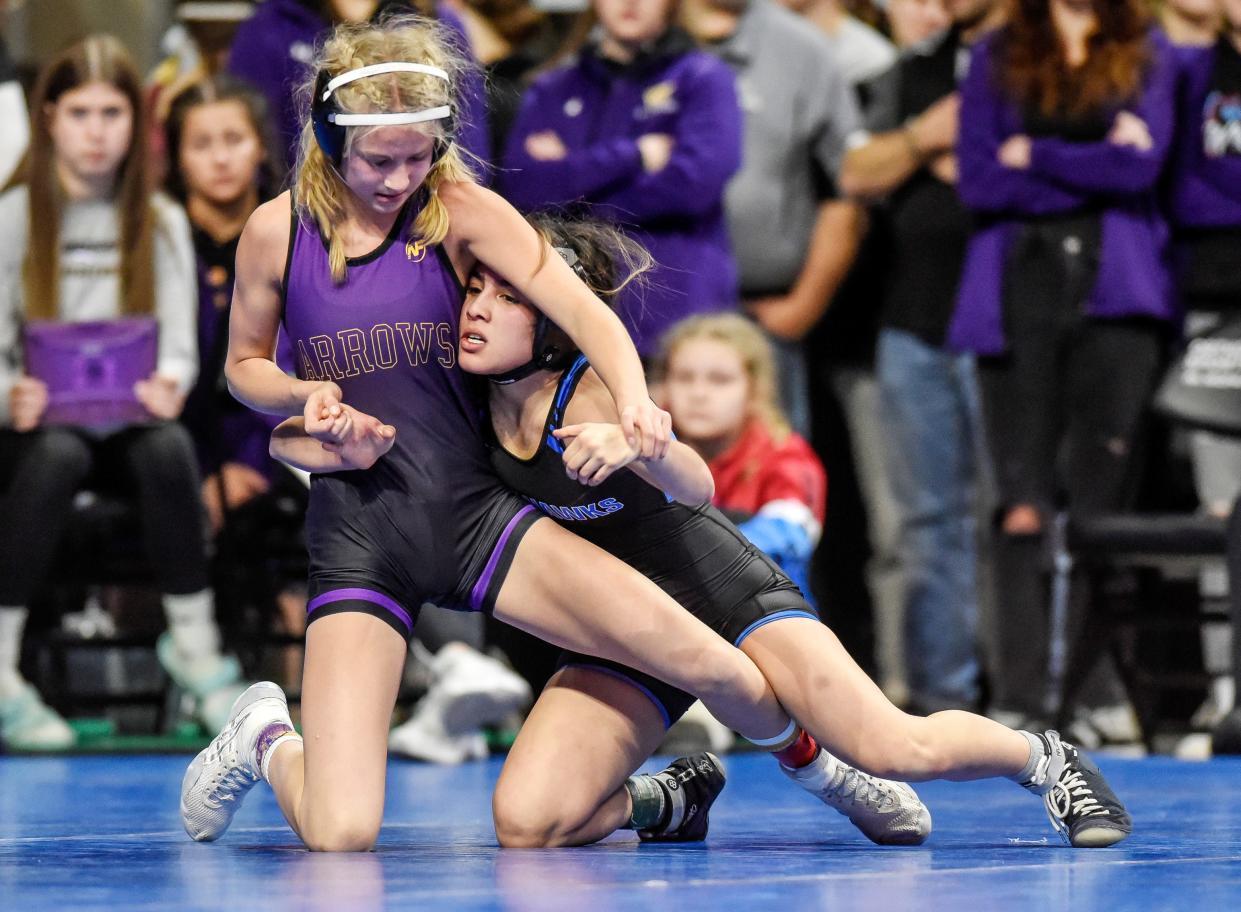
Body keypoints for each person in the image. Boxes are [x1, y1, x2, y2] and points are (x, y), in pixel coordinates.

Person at [277, 214, 1134, 850]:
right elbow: (291, 437)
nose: (476, 310)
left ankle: (1041, 758)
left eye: (508, 297)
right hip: (621, 631)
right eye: (475, 289)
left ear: (554, 323)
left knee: (888, 742)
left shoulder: (593, 395)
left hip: (719, 598)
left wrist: (638, 446)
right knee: (527, 823)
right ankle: (666, 801)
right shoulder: (457, 401)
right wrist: (312, 431)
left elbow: (701, 485)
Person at [179, 13, 820, 853]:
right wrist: (305, 393)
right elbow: (242, 369)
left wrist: (633, 401)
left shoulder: (460, 210)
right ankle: (266, 734)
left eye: (420, 156)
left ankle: (836, 776)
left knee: (711, 661)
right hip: (362, 535)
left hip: (479, 519)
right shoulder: (278, 228)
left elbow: (587, 314)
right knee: (339, 835)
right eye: (380, 159)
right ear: (332, 138)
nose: (400, 178)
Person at [0, 35, 244, 749]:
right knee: (57, 457)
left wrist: (170, 382)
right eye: (80, 112)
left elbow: (178, 344)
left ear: (135, 124)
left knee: (169, 445)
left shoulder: (160, 220)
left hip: (132, 430)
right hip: (38, 434)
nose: (97, 131)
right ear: (49, 118)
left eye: (112, 113)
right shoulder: (14, 217)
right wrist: (9, 391)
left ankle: (195, 653)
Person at [952, 0, 1178, 731]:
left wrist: (1036, 153)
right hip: (1017, 287)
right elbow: (980, 180)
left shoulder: (1147, 48)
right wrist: (1095, 160)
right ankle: (1019, 697)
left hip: (1115, 297)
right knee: (1019, 503)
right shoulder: (996, 52)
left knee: (1097, 503)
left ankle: (1089, 691)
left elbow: (1141, 165)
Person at [836, 0, 1005, 716]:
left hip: (1012, 323)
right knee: (923, 524)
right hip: (912, 320)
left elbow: (994, 174)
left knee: (1017, 518)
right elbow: (856, 170)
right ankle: (944, 700)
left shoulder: (1039, 67)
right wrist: (923, 137)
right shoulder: (914, 71)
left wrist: (955, 154)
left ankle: (1039, 693)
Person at [498, 0, 744, 356]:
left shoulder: (704, 79)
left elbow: (692, 187)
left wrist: (571, 182)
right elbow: (524, 187)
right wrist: (635, 155)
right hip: (574, 314)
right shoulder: (554, 86)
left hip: (676, 320)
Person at [682, 0, 865, 438]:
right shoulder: (633, 39)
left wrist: (804, 303)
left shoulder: (801, 49)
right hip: (650, 311)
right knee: (649, 486)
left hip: (762, 316)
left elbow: (849, 188)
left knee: (771, 475)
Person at [1165, 0, 1241, 734]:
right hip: (1215, 311)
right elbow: (1178, 186)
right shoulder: (1191, 73)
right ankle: (1228, 684)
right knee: (1221, 508)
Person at [659, 313, 826, 603]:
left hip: (767, 609)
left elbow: (793, 537)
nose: (698, 394)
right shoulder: (654, 453)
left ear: (754, 391)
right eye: (684, 378)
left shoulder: (787, 455)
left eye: (720, 380)